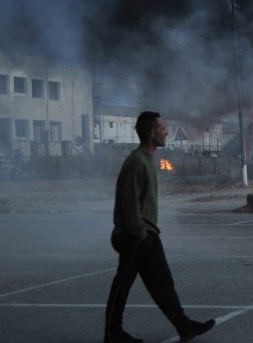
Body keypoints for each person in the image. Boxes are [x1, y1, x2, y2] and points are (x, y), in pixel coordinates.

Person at [104, 111, 215, 343]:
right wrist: (139, 232)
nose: (166, 132)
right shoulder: (136, 161)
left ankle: (184, 327)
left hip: (147, 234)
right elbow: (128, 201)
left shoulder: (147, 159)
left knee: (162, 283)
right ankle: (113, 333)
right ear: (151, 133)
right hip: (136, 235)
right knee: (122, 284)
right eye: (162, 128)